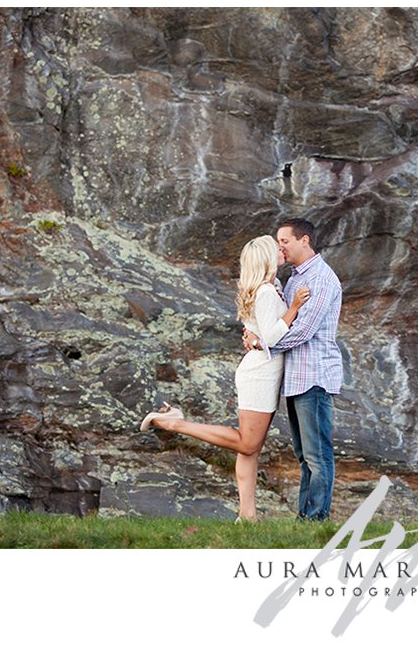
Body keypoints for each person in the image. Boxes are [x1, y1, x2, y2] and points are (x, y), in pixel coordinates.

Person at [139, 235, 310, 522]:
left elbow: (262, 333)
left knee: (250, 452)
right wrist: (293, 308)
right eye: (275, 247)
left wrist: (259, 335)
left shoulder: (271, 287)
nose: (281, 250)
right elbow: (272, 336)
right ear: (267, 258)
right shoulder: (268, 293)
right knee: (247, 444)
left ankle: (247, 516)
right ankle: (174, 422)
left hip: (262, 370)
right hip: (260, 374)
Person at [244, 218, 343, 521]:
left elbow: (303, 331)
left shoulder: (322, 279)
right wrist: (254, 333)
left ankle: (315, 519)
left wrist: (264, 344)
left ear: (304, 241)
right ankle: (305, 518)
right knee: (304, 456)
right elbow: (278, 322)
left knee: (317, 455)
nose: (280, 247)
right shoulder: (294, 279)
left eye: (284, 241)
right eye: (278, 242)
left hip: (314, 377)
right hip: (295, 378)